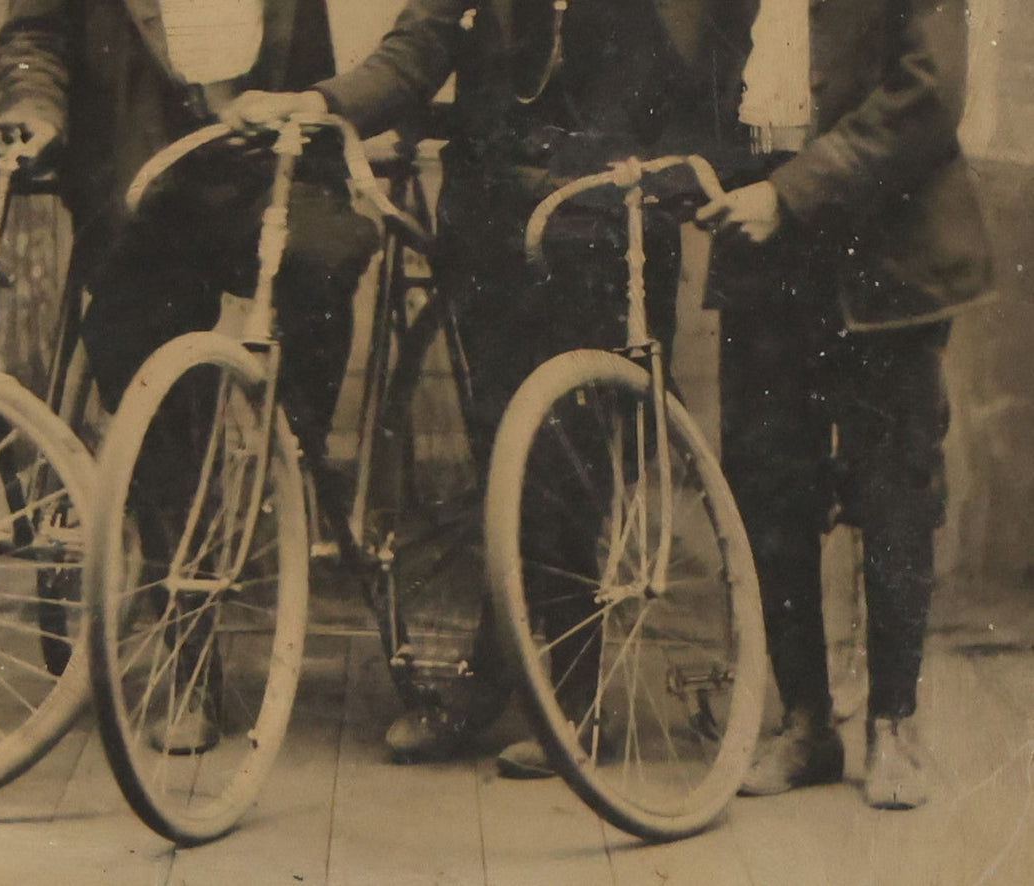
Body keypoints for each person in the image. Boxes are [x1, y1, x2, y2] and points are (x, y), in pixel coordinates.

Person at [219, 0, 758, 770]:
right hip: (492, 218)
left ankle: (571, 697)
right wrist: (324, 103)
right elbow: (417, 45)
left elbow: (715, 66)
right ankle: (491, 674)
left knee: (574, 462)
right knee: (496, 449)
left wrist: (674, 169)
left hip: (610, 216)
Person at [0, 0, 380, 749]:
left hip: (266, 174)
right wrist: (35, 110)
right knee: (142, 370)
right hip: (142, 187)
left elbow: (312, 62)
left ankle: (295, 465)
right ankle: (188, 652)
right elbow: (35, 34)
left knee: (322, 266)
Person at [698, 0, 993, 809]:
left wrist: (788, 192)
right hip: (761, 252)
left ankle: (893, 726)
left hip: (882, 251)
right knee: (766, 483)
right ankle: (803, 724)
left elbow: (929, 95)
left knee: (895, 487)